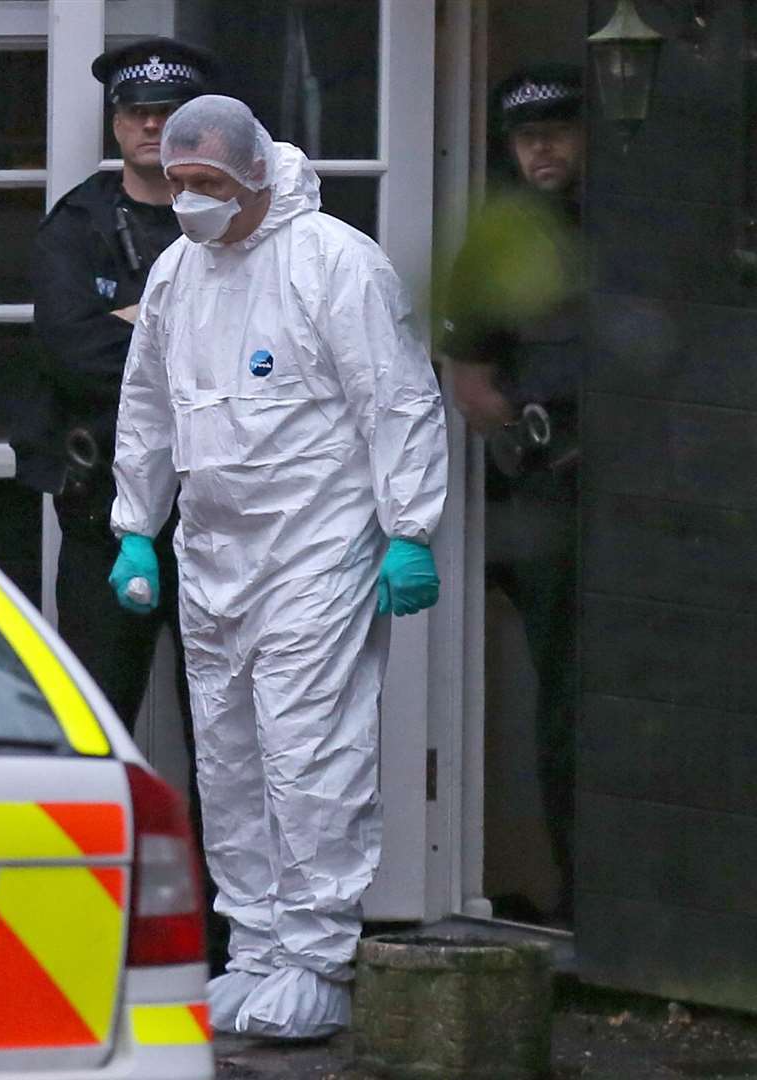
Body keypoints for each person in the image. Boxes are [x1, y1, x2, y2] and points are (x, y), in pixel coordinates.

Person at [107, 95, 448, 1040]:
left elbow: (396, 397)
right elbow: (147, 405)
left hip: (315, 547)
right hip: (214, 551)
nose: (187, 201)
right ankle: (254, 947)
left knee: (308, 750)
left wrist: (408, 526)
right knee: (226, 757)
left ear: (254, 173)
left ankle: (316, 958)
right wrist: (137, 523)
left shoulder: (333, 261)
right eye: (176, 185)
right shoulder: (178, 271)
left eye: (204, 183)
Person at [14, 37, 220, 731]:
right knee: (97, 723)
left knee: (225, 737)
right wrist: (186, 334)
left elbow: (257, 349)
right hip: (102, 512)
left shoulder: (230, 220)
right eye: (135, 111)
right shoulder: (76, 227)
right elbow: (74, 353)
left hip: (218, 510)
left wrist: (133, 321)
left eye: (167, 111)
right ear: (115, 121)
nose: (151, 125)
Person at [442, 64, 585, 924]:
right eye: (524, 134)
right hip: (554, 495)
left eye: (558, 129)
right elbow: (470, 383)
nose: (539, 147)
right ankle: (579, 897)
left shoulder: (640, 225)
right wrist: (538, 447)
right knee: (567, 696)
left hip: (655, 504)